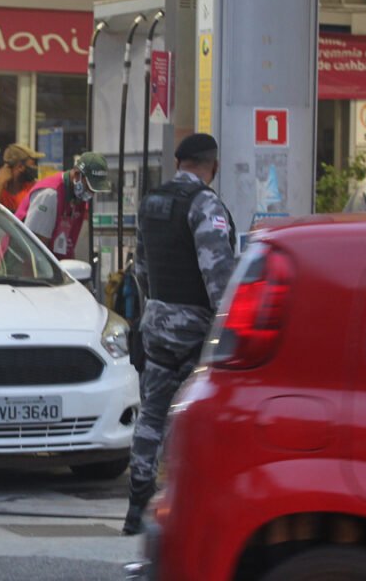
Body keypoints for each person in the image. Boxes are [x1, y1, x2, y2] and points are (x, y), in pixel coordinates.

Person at [123, 133, 235, 535]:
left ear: (177, 161)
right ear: (213, 166)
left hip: (157, 323)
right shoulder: (204, 204)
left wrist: (156, 308)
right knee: (202, 417)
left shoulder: (151, 202)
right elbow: (218, 277)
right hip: (195, 330)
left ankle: (136, 503)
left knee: (152, 414)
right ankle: (193, 506)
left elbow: (141, 269)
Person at [15, 152, 109, 261]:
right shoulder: (50, 195)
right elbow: (33, 251)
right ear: (78, 175)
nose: (91, 192)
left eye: (95, 189)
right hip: (19, 265)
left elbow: (67, 247)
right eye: (90, 186)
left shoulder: (78, 198)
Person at [0, 143, 44, 212]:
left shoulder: (34, 187)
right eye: (32, 164)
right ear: (20, 167)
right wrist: (0, 182)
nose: (35, 168)